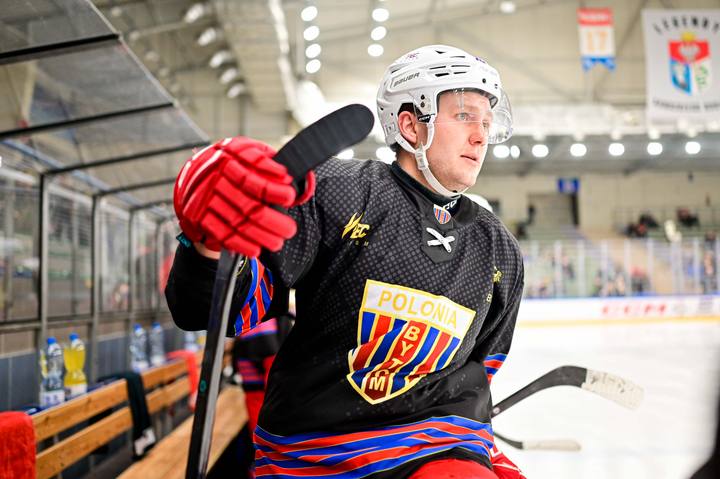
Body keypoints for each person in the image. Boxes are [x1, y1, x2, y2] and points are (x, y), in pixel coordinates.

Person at [166, 44, 525, 478]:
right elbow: (217, 310)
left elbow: (479, 371)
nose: (481, 136)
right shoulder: (337, 192)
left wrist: (473, 446)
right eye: (464, 115)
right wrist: (207, 245)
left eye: (486, 122)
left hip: (437, 454)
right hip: (318, 457)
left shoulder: (499, 249)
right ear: (411, 125)